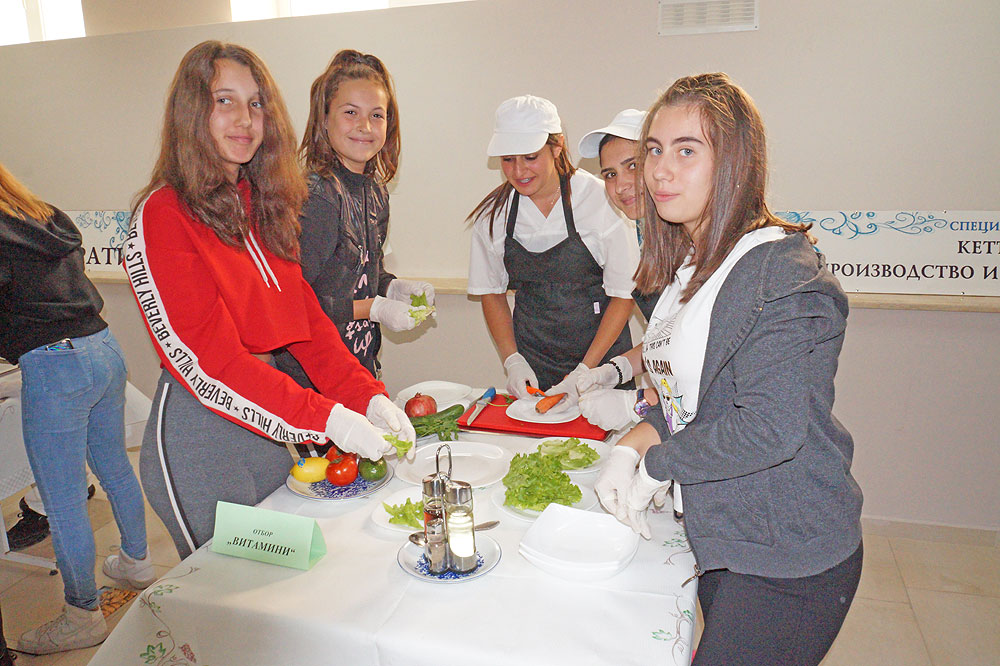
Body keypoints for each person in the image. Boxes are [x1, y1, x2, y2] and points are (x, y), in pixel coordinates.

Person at [593, 73, 863, 665]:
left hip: (787, 551)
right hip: (724, 534)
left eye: (687, 151)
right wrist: (632, 445)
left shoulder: (780, 270)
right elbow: (691, 400)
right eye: (654, 150)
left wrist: (659, 464)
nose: (659, 171)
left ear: (736, 161)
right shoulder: (693, 265)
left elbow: (770, 427)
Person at [126, 41, 415, 560]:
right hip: (201, 436)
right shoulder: (163, 213)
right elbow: (209, 363)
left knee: (281, 585)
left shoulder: (260, 205)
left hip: (267, 428)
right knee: (221, 593)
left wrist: (365, 395)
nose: (245, 119)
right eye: (224, 101)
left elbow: (307, 323)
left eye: (256, 103)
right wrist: (327, 417)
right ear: (191, 110)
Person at [0, 161, 153, 655]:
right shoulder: (42, 214)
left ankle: (82, 615)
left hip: (54, 364)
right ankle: (136, 563)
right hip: (102, 347)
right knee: (114, 468)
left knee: (63, 501)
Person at [275, 49, 432, 384]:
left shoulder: (375, 193)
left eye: (377, 115)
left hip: (358, 371)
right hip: (311, 381)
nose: (365, 126)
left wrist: (392, 288)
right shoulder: (317, 196)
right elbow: (292, 305)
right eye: (350, 112)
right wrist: (372, 308)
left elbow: (363, 274)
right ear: (324, 118)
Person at [467, 95, 638, 400]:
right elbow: (491, 292)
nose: (519, 171)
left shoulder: (600, 201)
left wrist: (585, 371)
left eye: (530, 157)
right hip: (535, 366)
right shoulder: (493, 217)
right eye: (508, 159)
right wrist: (512, 361)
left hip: (602, 365)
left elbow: (623, 296)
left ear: (557, 146)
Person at [575, 108, 665, 434]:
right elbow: (670, 339)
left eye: (633, 166)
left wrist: (638, 403)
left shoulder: (701, 242)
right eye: (610, 174)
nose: (621, 185)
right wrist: (616, 370)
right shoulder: (646, 237)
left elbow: (714, 361)